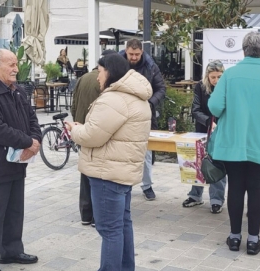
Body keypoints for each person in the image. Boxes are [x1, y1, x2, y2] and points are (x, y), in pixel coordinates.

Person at [65, 53, 152, 271]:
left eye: (100, 70)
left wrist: (75, 129)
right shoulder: (136, 96)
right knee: (122, 225)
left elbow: (92, 136)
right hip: (122, 171)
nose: (97, 76)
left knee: (109, 230)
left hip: (107, 173)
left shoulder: (114, 98)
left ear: (110, 72)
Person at [208, 32, 260, 255]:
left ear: (243, 51)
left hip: (232, 143)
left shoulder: (230, 75)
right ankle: (253, 240)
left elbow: (214, 107)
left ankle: (234, 238)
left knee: (235, 188)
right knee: (257, 189)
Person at [0, 49, 42, 270]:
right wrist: (26, 142)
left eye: (16, 64)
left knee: (14, 211)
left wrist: (36, 140)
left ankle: (11, 251)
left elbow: (32, 118)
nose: (16, 69)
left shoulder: (18, 91)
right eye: (10, 64)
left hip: (17, 164)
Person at [71, 49, 116, 227]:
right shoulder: (108, 81)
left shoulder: (83, 78)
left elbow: (74, 104)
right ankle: (98, 216)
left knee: (85, 172)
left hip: (82, 129)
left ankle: (85, 213)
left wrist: (77, 124)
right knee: (100, 175)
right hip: (100, 132)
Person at [120, 39, 166, 200]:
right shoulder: (117, 63)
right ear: (126, 51)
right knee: (122, 152)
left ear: (142, 52)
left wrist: (150, 103)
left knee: (146, 152)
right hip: (121, 115)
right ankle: (123, 184)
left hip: (145, 115)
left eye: (136, 54)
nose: (133, 57)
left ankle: (147, 185)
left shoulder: (150, 66)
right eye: (130, 54)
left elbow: (161, 89)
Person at [182, 60, 227, 214]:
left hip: (221, 131)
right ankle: (195, 195)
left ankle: (216, 199)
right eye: (213, 77)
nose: (216, 80)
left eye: (219, 77)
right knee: (198, 162)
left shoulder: (228, 88)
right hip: (202, 130)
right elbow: (195, 110)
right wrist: (208, 122)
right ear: (207, 76)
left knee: (217, 164)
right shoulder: (200, 87)